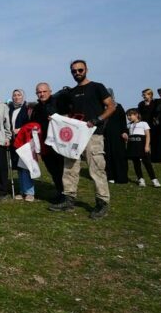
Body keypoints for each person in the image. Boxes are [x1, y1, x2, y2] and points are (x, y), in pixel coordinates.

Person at [49, 60, 116, 220]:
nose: (77, 73)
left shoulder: (97, 87)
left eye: (80, 70)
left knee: (96, 168)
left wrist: (98, 119)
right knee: (70, 167)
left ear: (86, 70)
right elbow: (68, 114)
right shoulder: (71, 93)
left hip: (93, 134)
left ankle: (102, 202)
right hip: (75, 136)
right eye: (74, 71)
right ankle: (69, 199)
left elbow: (111, 106)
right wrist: (56, 119)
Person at [30, 83, 65, 199]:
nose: (42, 94)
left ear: (50, 91)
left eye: (44, 91)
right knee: (52, 169)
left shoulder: (58, 103)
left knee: (62, 169)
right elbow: (33, 123)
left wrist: (57, 118)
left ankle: (67, 194)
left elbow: (67, 118)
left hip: (59, 143)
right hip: (44, 144)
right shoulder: (36, 108)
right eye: (39, 92)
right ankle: (60, 191)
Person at [8, 89, 34, 200]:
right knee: (19, 167)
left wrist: (20, 130)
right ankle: (22, 191)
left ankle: (29, 192)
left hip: (25, 141)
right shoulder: (10, 110)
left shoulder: (28, 109)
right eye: (14, 95)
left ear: (23, 96)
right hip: (14, 142)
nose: (16, 97)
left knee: (26, 166)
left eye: (19, 95)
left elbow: (32, 124)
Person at [126, 108, 161, 188]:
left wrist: (147, 146)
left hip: (142, 146)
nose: (128, 117)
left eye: (130, 115)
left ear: (136, 115)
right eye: (127, 116)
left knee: (147, 163)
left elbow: (148, 135)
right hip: (133, 147)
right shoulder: (129, 125)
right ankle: (141, 179)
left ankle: (154, 180)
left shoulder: (144, 123)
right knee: (136, 164)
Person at [103, 89, 128, 184]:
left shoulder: (118, 106)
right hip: (105, 135)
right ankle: (110, 176)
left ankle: (121, 177)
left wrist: (124, 131)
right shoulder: (100, 107)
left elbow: (123, 120)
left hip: (118, 135)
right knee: (108, 155)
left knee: (119, 155)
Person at [138, 89, 159, 161]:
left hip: (153, 124)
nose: (143, 96)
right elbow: (139, 114)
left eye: (145, 94)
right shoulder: (141, 104)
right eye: (143, 95)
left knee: (153, 140)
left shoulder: (155, 102)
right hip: (144, 124)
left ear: (150, 94)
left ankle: (154, 157)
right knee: (143, 140)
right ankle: (144, 156)